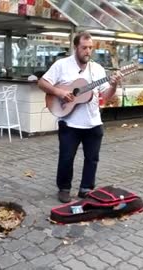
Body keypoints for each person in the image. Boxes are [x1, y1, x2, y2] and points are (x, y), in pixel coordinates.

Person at [38, 31, 122, 203]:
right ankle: (64, 188)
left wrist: (113, 85)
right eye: (84, 48)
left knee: (92, 158)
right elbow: (42, 82)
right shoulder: (62, 65)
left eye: (91, 48)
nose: (88, 51)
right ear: (76, 47)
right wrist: (60, 92)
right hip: (70, 122)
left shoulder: (97, 69)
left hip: (93, 122)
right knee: (66, 158)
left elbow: (106, 96)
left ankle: (86, 189)